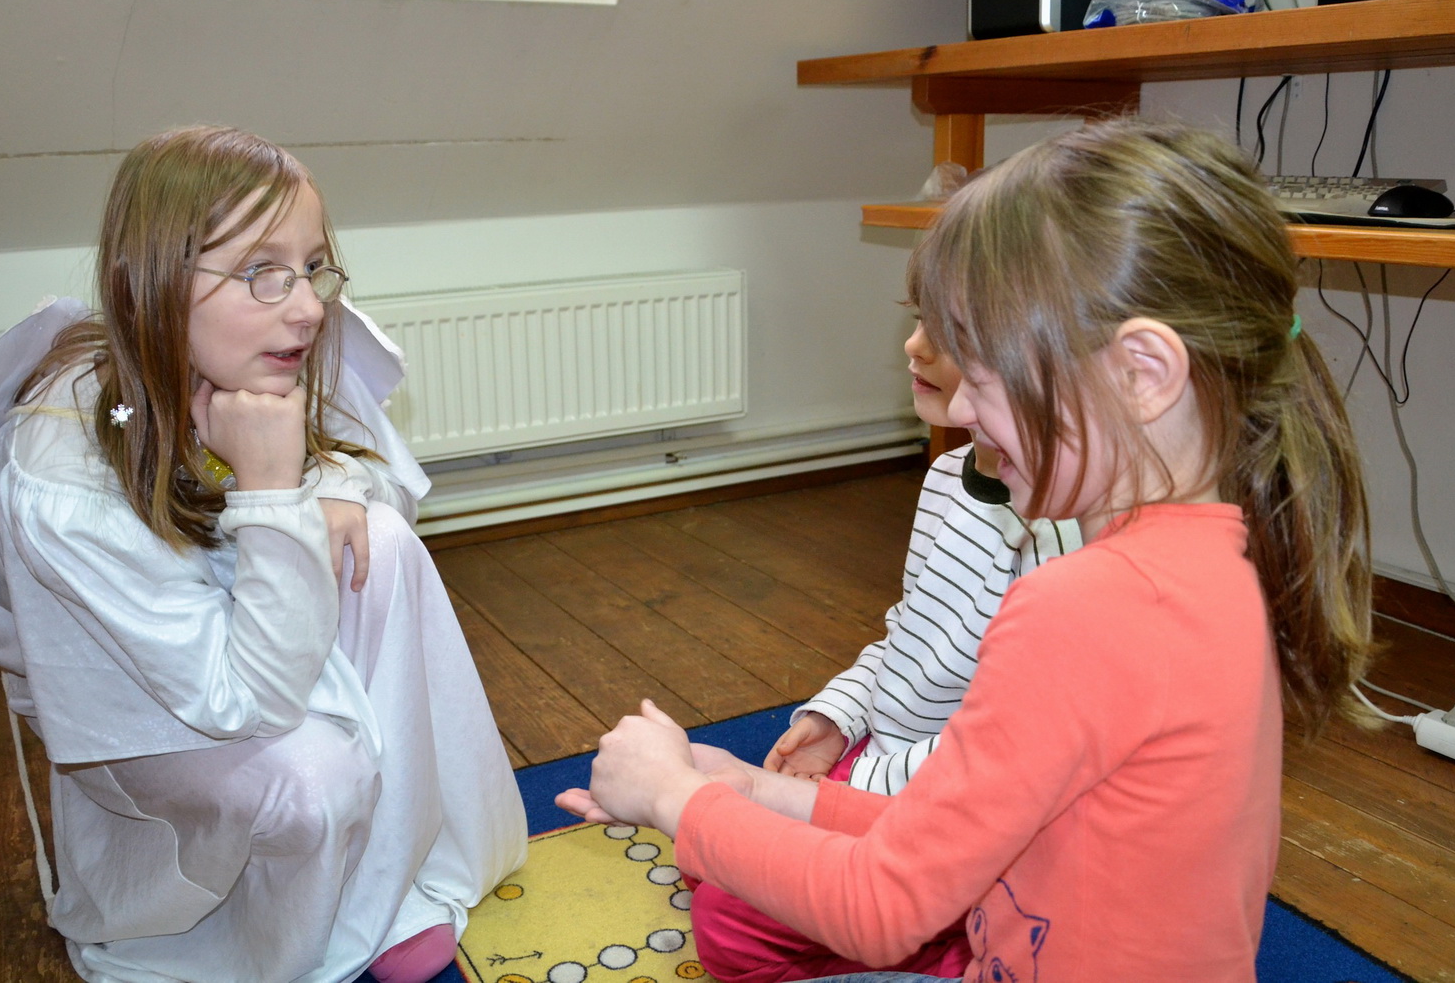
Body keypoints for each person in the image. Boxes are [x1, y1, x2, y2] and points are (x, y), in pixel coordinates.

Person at [558, 119, 1375, 982]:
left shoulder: (1085, 607)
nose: (959, 411)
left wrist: (674, 798)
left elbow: (880, 904)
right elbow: (955, 839)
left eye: (985, 377)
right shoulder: (1218, 570)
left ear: (1141, 374)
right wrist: (754, 791)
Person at [0, 126, 524, 982]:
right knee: (312, 779)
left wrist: (330, 484)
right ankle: (276, 940)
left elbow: (378, 474)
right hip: (151, 720)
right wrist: (269, 489)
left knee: (384, 543)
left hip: (240, 658)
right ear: (150, 284)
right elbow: (237, 702)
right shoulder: (63, 479)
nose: (309, 307)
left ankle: (384, 882)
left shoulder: (242, 349)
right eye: (262, 271)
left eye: (312, 267)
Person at [689, 317, 1080, 983]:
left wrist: (834, 795)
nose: (914, 344)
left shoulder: (1063, 538)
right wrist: (836, 720)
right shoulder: (949, 475)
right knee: (706, 847)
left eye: (951, 331)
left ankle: (969, 948)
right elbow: (906, 634)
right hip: (891, 767)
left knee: (726, 913)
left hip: (957, 809)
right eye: (918, 316)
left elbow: (1004, 757)